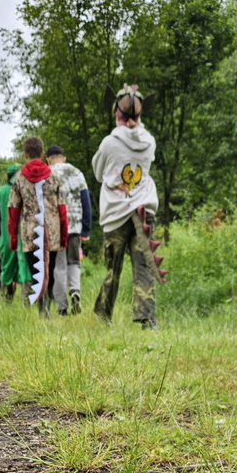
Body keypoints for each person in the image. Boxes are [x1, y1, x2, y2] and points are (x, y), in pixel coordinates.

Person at [92, 83, 165, 329]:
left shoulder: (109, 143)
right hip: (144, 209)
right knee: (143, 264)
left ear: (116, 113)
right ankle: (148, 320)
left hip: (116, 212)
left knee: (113, 267)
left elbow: (99, 174)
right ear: (140, 114)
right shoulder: (150, 141)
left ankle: (104, 316)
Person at [7, 136, 68, 314]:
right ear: (42, 154)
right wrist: (64, 236)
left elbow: (13, 211)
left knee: (36, 273)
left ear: (25, 155)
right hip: (52, 233)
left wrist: (13, 238)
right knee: (49, 271)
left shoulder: (19, 178)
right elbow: (62, 209)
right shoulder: (54, 177)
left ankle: (43, 311)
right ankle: (46, 308)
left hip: (30, 233)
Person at [46, 144, 91, 316]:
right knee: (74, 262)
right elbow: (85, 201)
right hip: (75, 226)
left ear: (48, 160)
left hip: (55, 228)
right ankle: (75, 291)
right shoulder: (77, 173)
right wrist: (85, 229)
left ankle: (62, 308)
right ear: (64, 158)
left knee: (59, 266)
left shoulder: (46, 174)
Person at [0, 164, 29, 300]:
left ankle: (6, 300)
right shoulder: (29, 190)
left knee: (7, 268)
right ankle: (27, 299)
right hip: (26, 237)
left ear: (8, 176)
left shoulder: (0, 192)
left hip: (6, 238)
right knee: (26, 268)